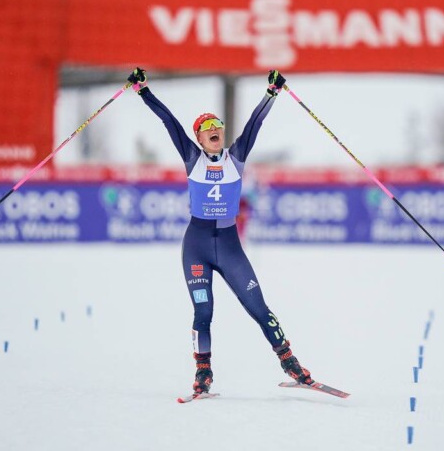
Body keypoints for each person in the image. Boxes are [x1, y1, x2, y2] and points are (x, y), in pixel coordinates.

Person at [127, 67, 312, 395]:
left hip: (229, 246)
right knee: (204, 310)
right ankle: (203, 372)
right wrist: (143, 91)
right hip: (197, 244)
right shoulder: (191, 158)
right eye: (207, 128)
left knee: (258, 307)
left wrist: (272, 92)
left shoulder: (236, 158)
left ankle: (290, 362)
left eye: (218, 126)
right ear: (198, 138)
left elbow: (255, 123)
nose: (215, 130)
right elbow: (169, 120)